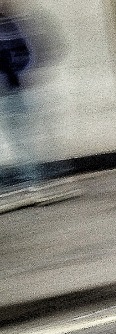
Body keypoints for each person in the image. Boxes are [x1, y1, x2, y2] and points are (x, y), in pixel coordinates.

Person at [0, 0, 39, 193]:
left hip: (10, 90)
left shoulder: (8, 24)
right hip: (10, 88)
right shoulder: (9, 24)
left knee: (20, 138)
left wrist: (13, 74)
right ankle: (30, 181)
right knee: (20, 138)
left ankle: (31, 181)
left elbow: (23, 53)